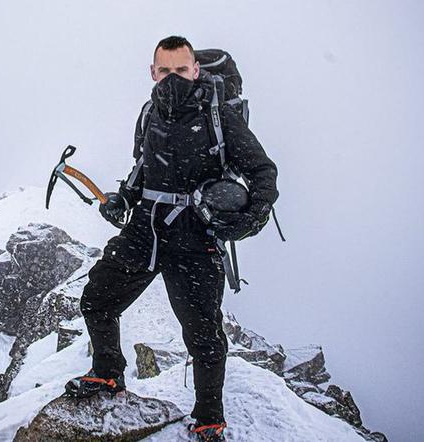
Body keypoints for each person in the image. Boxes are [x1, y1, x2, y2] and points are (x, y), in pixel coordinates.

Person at [65, 35, 279, 442]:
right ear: (152, 72)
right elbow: (143, 168)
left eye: (181, 70)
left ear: (195, 70)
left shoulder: (220, 118)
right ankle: (108, 375)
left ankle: (208, 417)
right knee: (97, 300)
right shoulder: (150, 114)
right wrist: (123, 199)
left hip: (195, 238)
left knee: (203, 335)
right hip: (146, 229)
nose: (172, 79)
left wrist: (248, 220)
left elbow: (264, 173)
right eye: (164, 71)